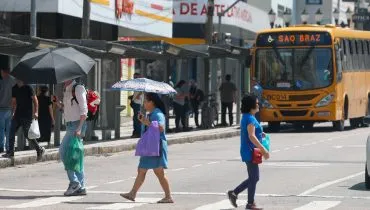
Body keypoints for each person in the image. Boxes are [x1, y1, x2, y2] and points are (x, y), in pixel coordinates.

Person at [120, 93, 173, 203]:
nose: (144, 103)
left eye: (145, 101)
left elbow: (161, 128)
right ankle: (132, 193)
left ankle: (168, 196)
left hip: (155, 147)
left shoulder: (157, 114)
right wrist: (144, 120)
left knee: (159, 172)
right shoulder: (151, 113)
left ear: (152, 102)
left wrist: (147, 122)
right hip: (150, 146)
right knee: (141, 170)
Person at [227, 94, 270, 210]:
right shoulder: (250, 118)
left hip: (248, 150)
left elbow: (251, 133)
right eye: (256, 103)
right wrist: (263, 149)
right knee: (254, 177)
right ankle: (247, 202)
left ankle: (237, 195)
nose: (258, 105)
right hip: (251, 151)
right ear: (251, 106)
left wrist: (261, 134)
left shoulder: (247, 116)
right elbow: (251, 136)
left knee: (254, 177)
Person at [55, 80, 88, 196]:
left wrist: (79, 128)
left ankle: (74, 183)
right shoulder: (67, 89)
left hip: (76, 125)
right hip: (70, 124)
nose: (62, 79)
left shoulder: (78, 88)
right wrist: (59, 104)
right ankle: (82, 186)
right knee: (76, 156)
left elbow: (84, 110)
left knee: (64, 152)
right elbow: (68, 109)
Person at [2, 80, 45, 160]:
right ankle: (11, 152)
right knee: (11, 131)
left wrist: (36, 112)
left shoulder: (29, 87)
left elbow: (35, 100)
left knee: (28, 135)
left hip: (27, 115)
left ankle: (39, 149)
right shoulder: (14, 88)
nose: (16, 79)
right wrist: (13, 113)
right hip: (17, 114)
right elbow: (14, 102)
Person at [0, 68, 15, 153]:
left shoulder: (1, 82)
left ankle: (1, 147)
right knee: (8, 130)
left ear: (3, 71)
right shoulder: (14, 81)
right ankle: (8, 147)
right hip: (10, 109)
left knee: (1, 129)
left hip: (1, 109)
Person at [129, 73, 144, 138]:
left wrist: (137, 96)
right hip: (136, 103)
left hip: (138, 103)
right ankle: (136, 132)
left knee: (137, 119)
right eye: (134, 77)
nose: (134, 78)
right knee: (135, 118)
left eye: (136, 77)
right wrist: (132, 97)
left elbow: (141, 91)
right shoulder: (136, 84)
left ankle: (138, 133)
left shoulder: (140, 84)